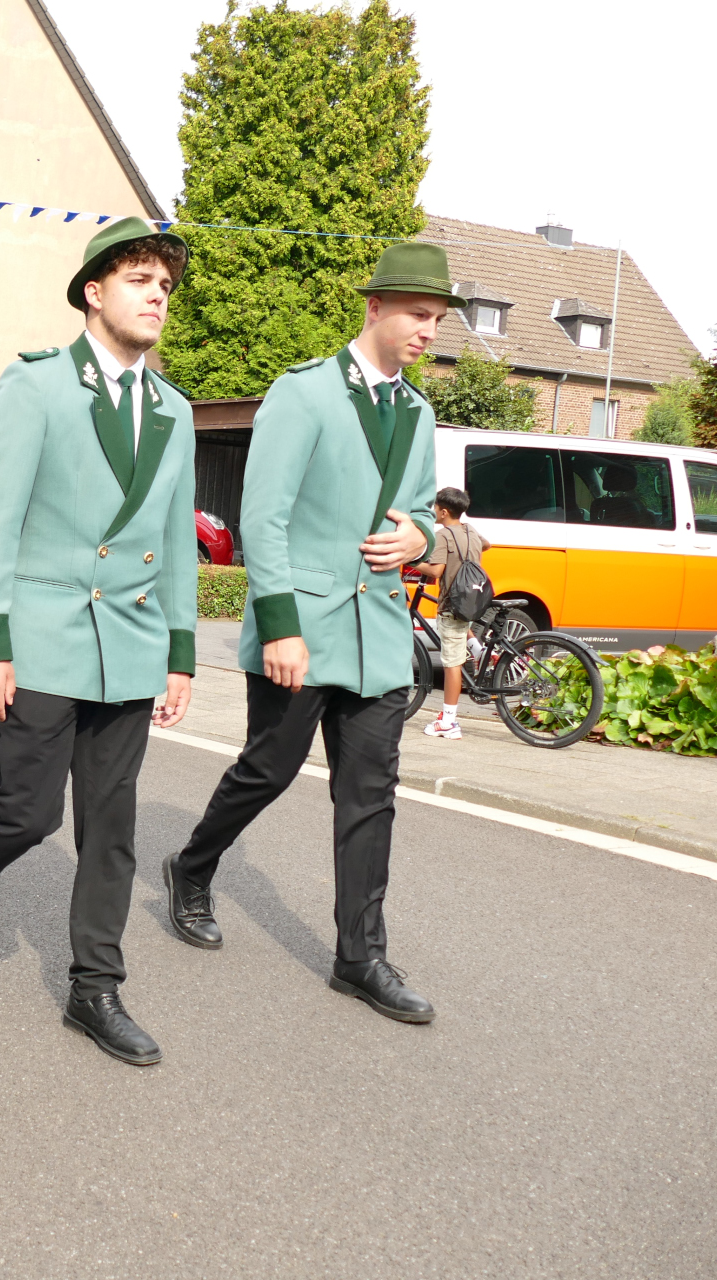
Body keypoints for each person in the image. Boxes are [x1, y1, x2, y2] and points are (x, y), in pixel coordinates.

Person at [0, 218, 198, 1066]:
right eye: (139, 280)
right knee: (29, 813)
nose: (157, 296)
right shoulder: (37, 385)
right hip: (40, 638)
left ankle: (95, 988)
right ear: (93, 291)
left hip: (128, 644)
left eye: (165, 285)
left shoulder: (174, 409)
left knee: (111, 826)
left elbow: (175, 539)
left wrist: (180, 653)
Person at [164, 242, 453, 1025]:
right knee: (269, 769)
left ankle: (360, 957)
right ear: (375, 308)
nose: (428, 331)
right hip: (304, 628)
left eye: (436, 319)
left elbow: (419, 508)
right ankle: (191, 866)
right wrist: (282, 627)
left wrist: (421, 536)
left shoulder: (419, 413)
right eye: (417, 315)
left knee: (371, 796)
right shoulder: (304, 393)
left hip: (380, 635)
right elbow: (264, 517)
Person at [420, 486, 491, 740]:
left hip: (453, 603)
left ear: (443, 512)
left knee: (452, 665)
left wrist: (410, 561)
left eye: (436, 508)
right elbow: (487, 545)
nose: (434, 511)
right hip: (470, 600)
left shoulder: (444, 535)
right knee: (462, 630)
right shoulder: (469, 530)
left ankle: (448, 722)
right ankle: (482, 653)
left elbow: (436, 571)